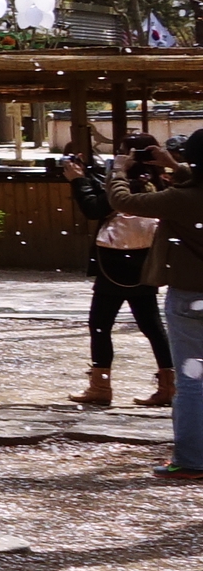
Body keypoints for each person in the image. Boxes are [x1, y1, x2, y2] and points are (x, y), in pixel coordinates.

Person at [102, 177, 203, 481]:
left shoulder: (180, 197)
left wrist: (119, 172)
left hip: (189, 294)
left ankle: (192, 461)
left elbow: (123, 202)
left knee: (193, 382)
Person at [68, 152, 173, 410]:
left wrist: (78, 181)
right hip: (144, 262)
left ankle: (101, 387)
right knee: (151, 327)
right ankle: (168, 385)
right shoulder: (159, 184)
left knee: (101, 325)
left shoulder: (125, 187)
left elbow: (95, 207)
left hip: (114, 263)